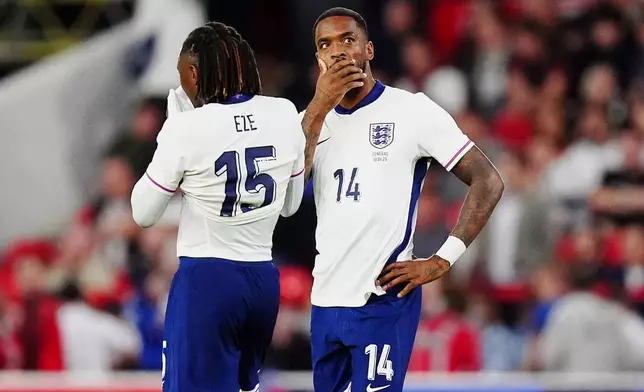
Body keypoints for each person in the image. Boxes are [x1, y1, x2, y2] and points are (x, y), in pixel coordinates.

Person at [300, 7, 504, 391]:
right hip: (325, 299)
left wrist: (443, 259)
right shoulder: (308, 122)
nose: (338, 52)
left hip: (383, 298)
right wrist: (314, 113)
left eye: (348, 40)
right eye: (325, 45)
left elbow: (487, 180)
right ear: (318, 59)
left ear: (370, 49)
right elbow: (288, 201)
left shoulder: (411, 111)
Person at [130, 21, 305, 392]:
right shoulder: (285, 112)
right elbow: (290, 205)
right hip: (262, 280)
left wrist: (170, 132)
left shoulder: (188, 127)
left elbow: (142, 212)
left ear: (194, 73)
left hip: (207, 279)